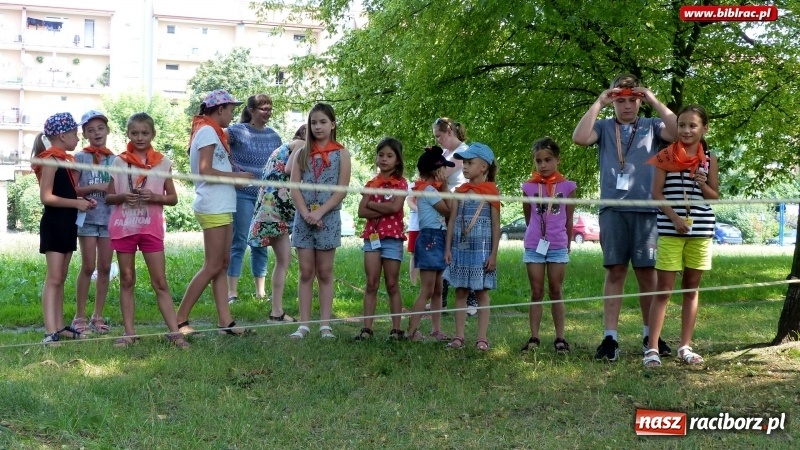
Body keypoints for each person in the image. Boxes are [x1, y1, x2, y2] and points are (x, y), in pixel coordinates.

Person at [572, 73, 677, 361]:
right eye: (621, 100)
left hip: (646, 211)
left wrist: (653, 99)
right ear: (614, 102)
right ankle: (610, 338)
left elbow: (679, 132)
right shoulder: (605, 127)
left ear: (639, 101)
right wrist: (599, 102)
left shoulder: (652, 126)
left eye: (632, 100)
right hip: (612, 210)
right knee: (615, 271)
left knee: (647, 273)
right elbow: (579, 137)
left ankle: (650, 336)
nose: (627, 106)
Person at [105, 113, 189, 349]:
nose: (139, 137)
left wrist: (155, 197)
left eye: (144, 133)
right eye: (135, 133)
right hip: (124, 227)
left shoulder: (162, 163)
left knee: (160, 281)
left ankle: (175, 333)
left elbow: (172, 198)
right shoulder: (119, 162)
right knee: (127, 279)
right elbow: (109, 197)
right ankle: (129, 333)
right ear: (128, 134)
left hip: (151, 228)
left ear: (153, 134)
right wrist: (123, 196)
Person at [643, 105, 718, 367]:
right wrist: (674, 219)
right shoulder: (665, 155)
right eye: (682, 125)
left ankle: (685, 346)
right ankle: (652, 348)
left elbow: (714, 196)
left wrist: (702, 183)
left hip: (701, 230)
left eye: (692, 125)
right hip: (669, 229)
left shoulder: (709, 158)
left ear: (704, 129)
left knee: (691, 288)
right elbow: (656, 194)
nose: (686, 130)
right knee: (663, 289)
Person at [177, 89, 253, 336]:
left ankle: (225, 322)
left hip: (223, 204)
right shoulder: (208, 131)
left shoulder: (213, 131)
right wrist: (236, 177)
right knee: (212, 266)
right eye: (231, 110)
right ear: (220, 109)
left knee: (222, 264)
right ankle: (179, 320)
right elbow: (205, 171)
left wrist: (235, 179)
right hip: (212, 205)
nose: (232, 115)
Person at [288, 103, 351, 339]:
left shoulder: (341, 153)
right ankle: (303, 325)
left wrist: (320, 213)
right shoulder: (300, 153)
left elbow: (341, 190)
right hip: (304, 219)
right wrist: (306, 213)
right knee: (306, 271)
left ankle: (325, 325)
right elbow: (294, 187)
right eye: (313, 122)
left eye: (323, 122)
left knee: (325, 272)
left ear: (333, 124)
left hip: (328, 218)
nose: (318, 127)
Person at [32, 113, 95, 344]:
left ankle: (59, 326)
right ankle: (51, 331)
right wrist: (76, 203)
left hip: (67, 223)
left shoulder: (65, 161)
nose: (78, 138)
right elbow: (46, 197)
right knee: (54, 278)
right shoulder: (50, 160)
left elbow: (66, 192)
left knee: (62, 277)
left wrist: (83, 200)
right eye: (76, 133)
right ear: (62, 134)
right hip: (55, 224)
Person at [519, 138, 576, 354]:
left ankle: (560, 338)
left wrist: (567, 242)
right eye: (538, 161)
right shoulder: (528, 187)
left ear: (557, 160)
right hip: (535, 244)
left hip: (558, 245)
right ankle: (534, 337)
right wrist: (537, 233)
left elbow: (569, 219)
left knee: (555, 290)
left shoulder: (568, 187)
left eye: (547, 160)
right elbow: (528, 217)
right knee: (536, 291)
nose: (543, 165)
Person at [444, 143, 500, 351]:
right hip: (461, 249)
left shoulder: (491, 192)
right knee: (460, 291)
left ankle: (482, 338)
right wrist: (448, 248)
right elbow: (451, 221)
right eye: (464, 162)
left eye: (470, 162)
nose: (465, 167)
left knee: (482, 293)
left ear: (484, 167)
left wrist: (493, 255)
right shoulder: (460, 191)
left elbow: (496, 225)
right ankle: (458, 336)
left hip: (482, 252)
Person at [248, 124, 306, 323]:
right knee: (283, 261)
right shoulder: (301, 145)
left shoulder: (283, 147)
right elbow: (292, 170)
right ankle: (276, 312)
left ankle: (277, 310)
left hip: (268, 207)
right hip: (276, 209)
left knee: (283, 259)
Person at [226, 94, 281, 303]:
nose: (267, 112)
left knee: (261, 242)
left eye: (270, 108)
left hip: (265, 198)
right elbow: (215, 143)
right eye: (263, 108)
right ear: (251, 110)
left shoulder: (274, 137)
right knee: (239, 241)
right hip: (241, 194)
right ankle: (232, 292)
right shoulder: (237, 131)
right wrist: (232, 170)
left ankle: (261, 293)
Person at [355, 137, 407, 341]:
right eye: (381, 155)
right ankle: (367, 329)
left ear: (397, 160)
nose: (384, 159)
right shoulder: (371, 183)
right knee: (371, 283)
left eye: (389, 155)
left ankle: (396, 329)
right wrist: (382, 209)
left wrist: (373, 206)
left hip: (392, 238)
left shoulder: (401, 183)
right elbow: (361, 211)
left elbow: (396, 207)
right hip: (372, 238)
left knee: (392, 283)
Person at [72, 110, 115, 335]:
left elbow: (118, 190)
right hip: (88, 219)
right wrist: (95, 188)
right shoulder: (80, 158)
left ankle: (97, 315)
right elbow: (75, 189)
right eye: (91, 130)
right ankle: (79, 315)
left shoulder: (115, 159)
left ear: (108, 130)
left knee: (105, 267)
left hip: (109, 220)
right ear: (85, 134)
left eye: (100, 128)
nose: (96, 133)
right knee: (88, 266)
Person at [432, 117, 478, 316]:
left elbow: (441, 172)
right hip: (445, 206)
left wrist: (433, 165)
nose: (438, 141)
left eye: (439, 136)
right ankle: (440, 300)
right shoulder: (444, 153)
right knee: (445, 250)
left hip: (462, 208)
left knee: (463, 251)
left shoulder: (462, 152)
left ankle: (472, 300)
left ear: (449, 132)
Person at [405, 146, 452, 342]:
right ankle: (412, 330)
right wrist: (447, 188)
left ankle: (435, 329)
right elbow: (448, 211)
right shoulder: (429, 190)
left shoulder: (433, 189)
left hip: (439, 238)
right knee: (427, 289)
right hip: (430, 240)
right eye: (444, 169)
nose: (446, 173)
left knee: (438, 289)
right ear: (437, 171)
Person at [406, 182, 420, 286]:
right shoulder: (413, 185)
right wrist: (419, 209)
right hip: (416, 225)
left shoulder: (437, 185)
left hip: (432, 225)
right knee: (414, 253)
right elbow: (409, 200)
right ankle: (413, 282)